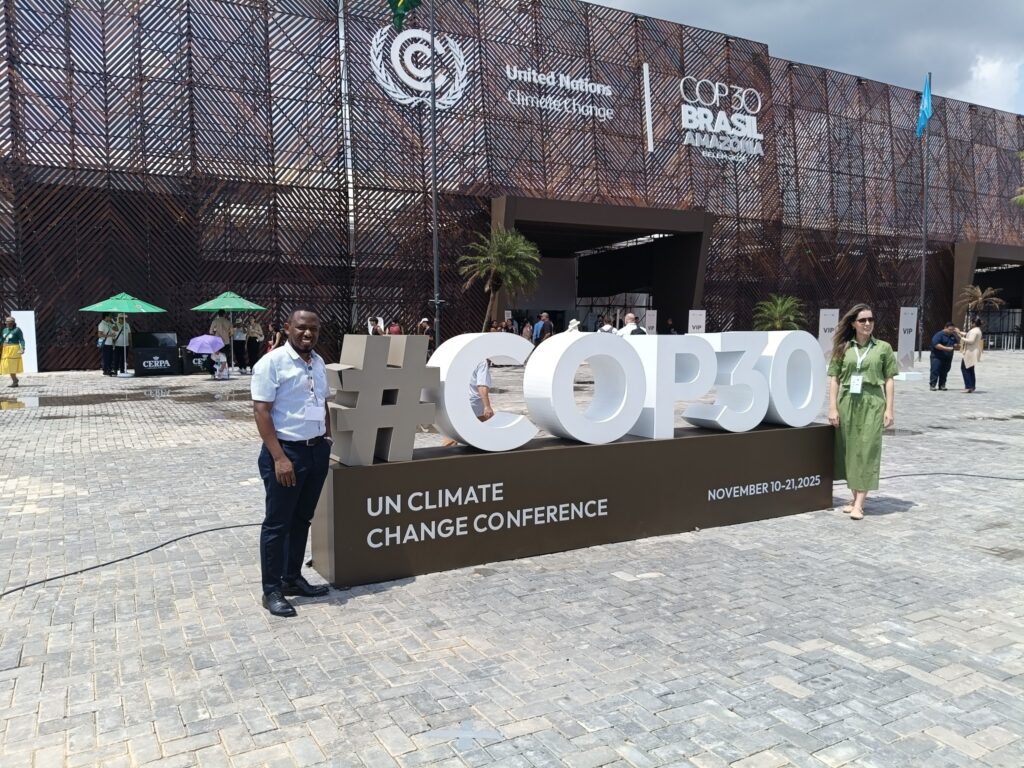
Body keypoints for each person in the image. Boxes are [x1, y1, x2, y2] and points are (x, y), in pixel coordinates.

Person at [251, 309, 333, 617]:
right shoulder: (272, 363)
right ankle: (272, 590)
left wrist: (327, 438)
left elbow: (322, 402)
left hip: (315, 451)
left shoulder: (319, 362)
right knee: (277, 524)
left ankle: (292, 577)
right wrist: (279, 457)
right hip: (286, 453)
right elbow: (261, 411)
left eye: (313, 328)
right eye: (301, 328)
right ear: (287, 328)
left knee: (302, 519)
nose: (308, 333)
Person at [827, 304, 897, 521]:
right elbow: (835, 379)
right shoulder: (843, 348)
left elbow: (889, 379)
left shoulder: (883, 348)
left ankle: (859, 503)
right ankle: (854, 496)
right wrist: (832, 407)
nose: (868, 323)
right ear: (853, 324)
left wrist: (889, 408)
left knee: (867, 449)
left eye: (870, 319)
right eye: (862, 320)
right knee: (849, 449)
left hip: (872, 401)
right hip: (847, 401)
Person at [441, 359, 494, 447]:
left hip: (455, 402)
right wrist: (487, 406)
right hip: (475, 406)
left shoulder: (458, 358)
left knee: (452, 436)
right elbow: (482, 385)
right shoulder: (481, 361)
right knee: (487, 436)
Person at [929, 321, 959, 391]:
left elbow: (956, 343)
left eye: (953, 330)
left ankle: (942, 385)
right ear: (945, 328)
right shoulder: (939, 335)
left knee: (945, 371)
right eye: (950, 329)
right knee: (935, 370)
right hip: (937, 356)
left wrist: (956, 344)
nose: (951, 331)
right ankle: (932, 385)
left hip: (948, 357)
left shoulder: (952, 336)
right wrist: (946, 348)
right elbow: (936, 344)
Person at [959, 317, 983, 393]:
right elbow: (968, 335)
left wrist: (961, 338)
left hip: (970, 351)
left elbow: (971, 341)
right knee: (970, 369)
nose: (970, 324)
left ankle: (968, 387)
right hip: (973, 351)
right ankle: (972, 386)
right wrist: (959, 332)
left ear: (974, 323)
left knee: (965, 368)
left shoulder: (974, 331)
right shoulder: (977, 330)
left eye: (971, 322)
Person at [2, 316, 25, 387]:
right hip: (6, 349)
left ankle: (15, 380)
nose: (7, 324)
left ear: (13, 323)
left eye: (9, 322)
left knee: (11, 365)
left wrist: (22, 348)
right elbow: (2, 339)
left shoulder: (17, 330)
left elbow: (21, 340)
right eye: (6, 322)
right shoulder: (4, 330)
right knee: (6, 365)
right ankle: (15, 380)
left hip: (14, 349)